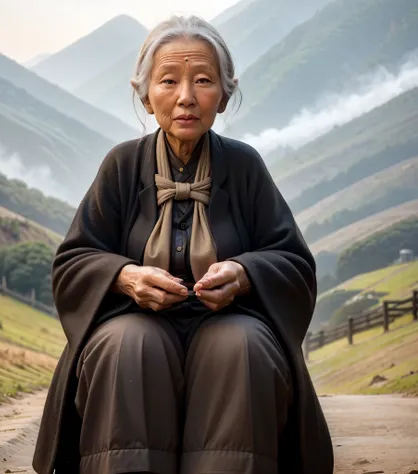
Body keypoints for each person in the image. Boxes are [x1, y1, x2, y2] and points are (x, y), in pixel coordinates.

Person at [33, 15, 334, 474]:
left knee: (243, 348)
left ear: (225, 93)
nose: (186, 97)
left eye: (204, 81)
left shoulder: (245, 166)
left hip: (228, 321)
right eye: (169, 80)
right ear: (145, 94)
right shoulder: (121, 165)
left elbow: (292, 261)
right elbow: (75, 260)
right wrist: (125, 276)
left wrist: (244, 274)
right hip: (135, 320)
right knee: (126, 345)